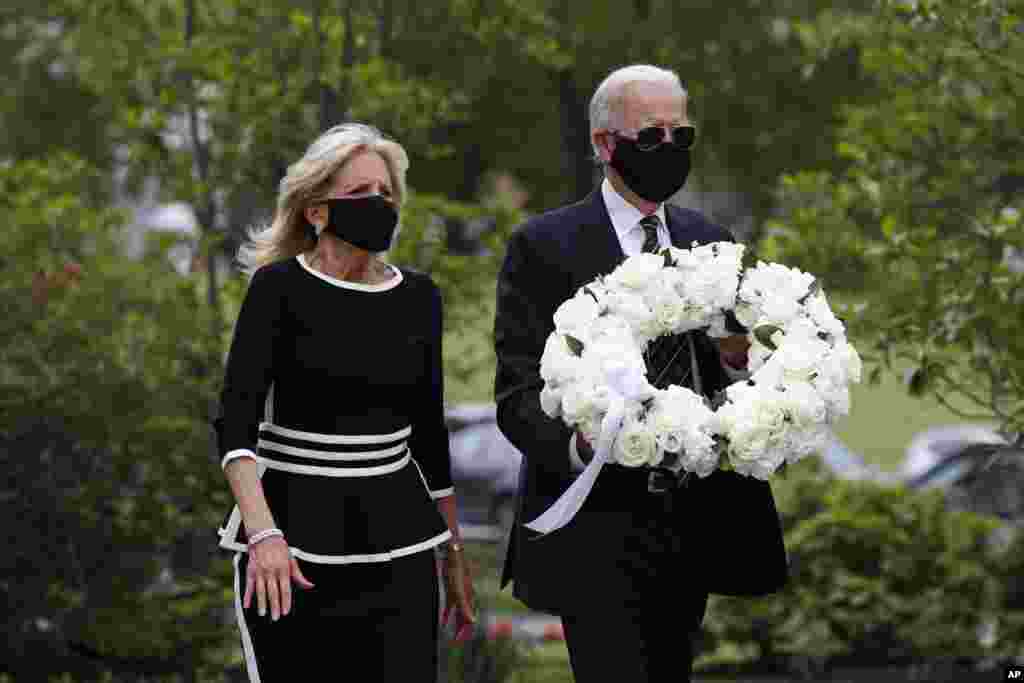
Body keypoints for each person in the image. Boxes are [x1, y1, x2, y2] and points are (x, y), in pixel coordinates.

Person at [493, 65, 788, 682]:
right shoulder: (544, 245)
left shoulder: (710, 240)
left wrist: (741, 361)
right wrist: (580, 445)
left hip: (691, 524)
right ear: (605, 144)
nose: (670, 148)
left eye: (682, 135)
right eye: (651, 136)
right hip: (596, 525)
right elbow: (517, 393)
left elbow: (736, 374)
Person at [212, 122, 476, 682]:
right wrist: (264, 535)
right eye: (360, 192)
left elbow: (430, 437)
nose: (379, 203)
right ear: (316, 210)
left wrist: (452, 553)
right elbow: (235, 425)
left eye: (386, 192)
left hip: (401, 541)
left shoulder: (420, 297)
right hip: (290, 548)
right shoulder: (277, 290)